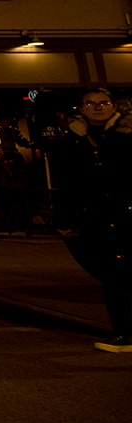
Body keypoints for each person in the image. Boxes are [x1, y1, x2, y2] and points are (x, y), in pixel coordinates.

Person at [40, 88, 132, 351]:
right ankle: (123, 333)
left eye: (104, 103)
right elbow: (68, 183)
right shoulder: (74, 140)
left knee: (120, 274)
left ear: (114, 106)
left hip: (126, 213)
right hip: (95, 217)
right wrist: (64, 219)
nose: (98, 108)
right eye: (91, 103)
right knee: (110, 275)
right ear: (82, 108)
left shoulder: (127, 136)